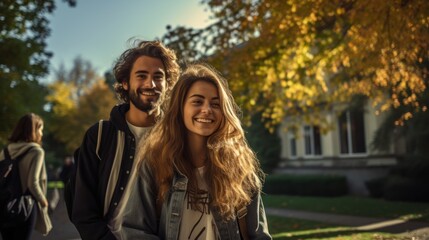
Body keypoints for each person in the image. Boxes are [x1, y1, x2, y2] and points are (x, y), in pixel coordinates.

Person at [120, 63, 271, 239]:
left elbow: (259, 235)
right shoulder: (155, 164)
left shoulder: (239, 169)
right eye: (197, 101)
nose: (207, 109)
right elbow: (133, 230)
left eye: (216, 104)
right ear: (180, 108)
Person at [71, 40, 180, 239]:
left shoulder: (176, 139)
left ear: (167, 84)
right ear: (125, 83)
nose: (151, 84)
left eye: (158, 77)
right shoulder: (99, 135)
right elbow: (82, 209)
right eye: (142, 76)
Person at [0, 113, 52, 239]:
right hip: (25, 205)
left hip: (3, 205)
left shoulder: (5, 151)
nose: (41, 133)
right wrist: (43, 201)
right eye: (40, 129)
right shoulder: (36, 151)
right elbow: (32, 182)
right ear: (33, 130)